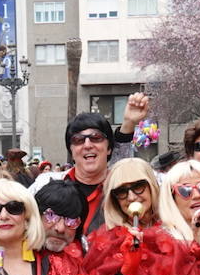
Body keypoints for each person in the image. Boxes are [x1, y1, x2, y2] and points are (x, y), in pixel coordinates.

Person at [37, 95, 149, 229]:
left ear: (109, 149)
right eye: (78, 140)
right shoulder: (45, 184)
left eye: (96, 138)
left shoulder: (125, 190)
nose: (88, 145)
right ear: (71, 151)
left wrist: (129, 123)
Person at [34, 180, 87, 254]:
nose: (60, 228)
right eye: (51, 215)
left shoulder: (86, 258)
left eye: (71, 220)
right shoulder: (14, 256)